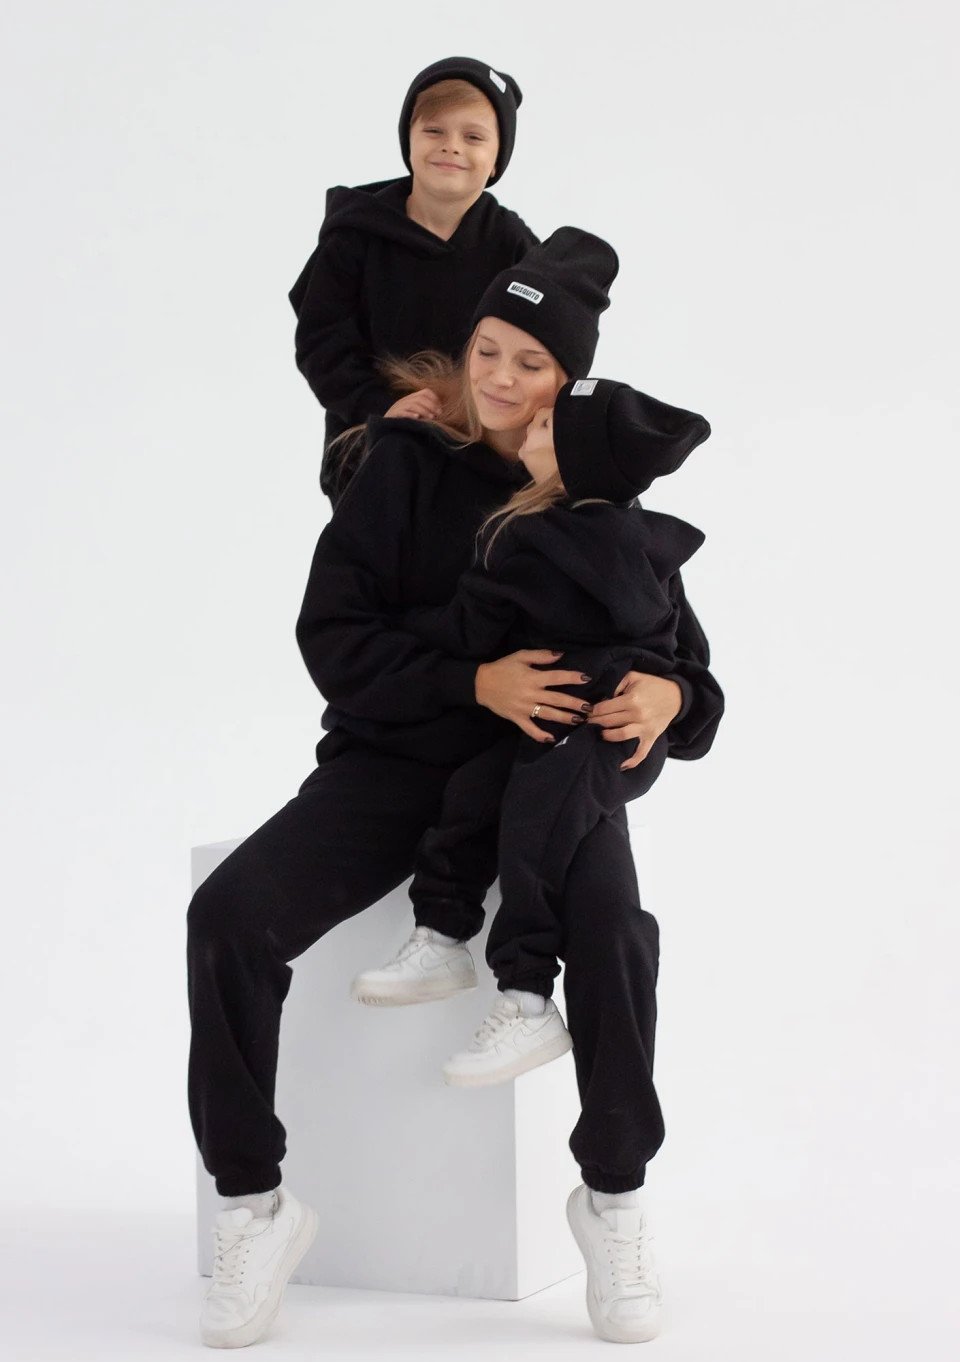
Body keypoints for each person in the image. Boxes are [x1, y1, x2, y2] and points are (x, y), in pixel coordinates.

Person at [188, 228, 723, 1348]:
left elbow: (689, 670)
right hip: (394, 761)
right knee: (227, 916)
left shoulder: (593, 486)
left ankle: (613, 1200)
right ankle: (253, 1207)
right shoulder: (403, 459)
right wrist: (473, 680)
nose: (501, 379)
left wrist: (671, 699)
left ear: (568, 380)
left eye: (531, 362)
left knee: (615, 934)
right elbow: (335, 639)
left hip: (548, 776)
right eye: (487, 350)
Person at [351, 378, 713, 1101]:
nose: (528, 428)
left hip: (602, 737)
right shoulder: (614, 538)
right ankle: (443, 935)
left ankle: (525, 997)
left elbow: (467, 629)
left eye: (547, 426)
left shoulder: (547, 541)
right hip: (557, 729)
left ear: (578, 460)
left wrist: (670, 694)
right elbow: (667, 648)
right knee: (475, 791)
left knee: (535, 832)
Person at [288, 55, 538, 504]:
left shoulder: (517, 249)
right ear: (409, 141)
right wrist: (380, 407)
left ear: (497, 160)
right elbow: (321, 343)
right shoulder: (354, 237)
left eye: (473, 136)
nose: (451, 146)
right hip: (371, 440)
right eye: (434, 131)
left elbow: (548, 345)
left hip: (480, 445)